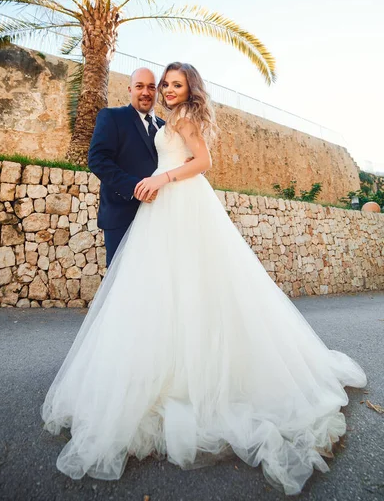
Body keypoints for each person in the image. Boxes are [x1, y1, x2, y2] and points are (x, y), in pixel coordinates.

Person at [41, 62, 367, 495]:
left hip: (181, 202)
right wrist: (149, 182)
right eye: (163, 84)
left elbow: (204, 161)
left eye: (174, 84)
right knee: (153, 294)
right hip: (156, 209)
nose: (166, 90)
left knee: (193, 286)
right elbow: (106, 158)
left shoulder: (183, 117)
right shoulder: (146, 118)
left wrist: (164, 177)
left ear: (188, 88)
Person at [88, 67, 164, 266]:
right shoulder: (111, 117)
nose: (145, 92)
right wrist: (135, 188)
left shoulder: (166, 128)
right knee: (121, 285)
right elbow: (98, 160)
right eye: (139, 86)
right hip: (122, 217)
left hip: (160, 218)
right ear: (130, 89)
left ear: (157, 91)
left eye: (151, 87)